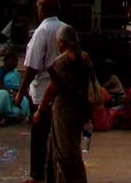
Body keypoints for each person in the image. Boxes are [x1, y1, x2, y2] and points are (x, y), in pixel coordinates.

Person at [31, 24, 92, 183]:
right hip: (78, 109)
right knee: (73, 147)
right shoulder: (84, 58)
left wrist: (40, 110)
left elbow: (52, 88)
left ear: (63, 42)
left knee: (63, 152)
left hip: (64, 110)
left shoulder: (61, 62)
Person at [15, 0, 64, 183]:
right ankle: (52, 172)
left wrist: (20, 92)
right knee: (57, 135)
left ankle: (37, 175)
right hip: (61, 91)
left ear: (42, 10)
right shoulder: (65, 29)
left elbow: (32, 66)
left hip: (44, 89)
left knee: (39, 136)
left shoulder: (41, 32)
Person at [0, 51, 30, 127]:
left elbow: (19, 87)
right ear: (5, 61)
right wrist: (11, 92)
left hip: (12, 95)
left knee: (24, 100)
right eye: (12, 60)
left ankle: (9, 119)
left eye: (16, 61)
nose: (15, 63)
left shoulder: (16, 73)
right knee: (3, 94)